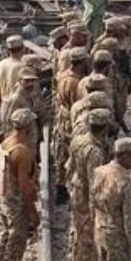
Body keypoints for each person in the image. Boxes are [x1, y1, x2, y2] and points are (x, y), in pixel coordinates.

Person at [68, 108, 112, 261]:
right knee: (87, 245)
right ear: (103, 127)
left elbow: (70, 167)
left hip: (76, 191)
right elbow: (94, 185)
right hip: (86, 198)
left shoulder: (79, 139)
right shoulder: (95, 151)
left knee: (78, 235)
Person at [0, 108, 38, 261]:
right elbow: (26, 187)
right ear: (29, 126)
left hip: (4, 197)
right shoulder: (23, 151)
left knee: (7, 236)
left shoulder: (6, 143)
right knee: (17, 239)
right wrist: (33, 213)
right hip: (16, 202)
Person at [54, 48, 90, 205]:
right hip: (72, 121)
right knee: (72, 155)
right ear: (82, 62)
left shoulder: (62, 76)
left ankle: (61, 186)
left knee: (61, 153)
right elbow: (78, 106)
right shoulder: (77, 82)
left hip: (62, 118)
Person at [0, 35, 26, 106]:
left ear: (8, 50)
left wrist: (1, 105)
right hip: (20, 109)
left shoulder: (1, 64)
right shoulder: (23, 66)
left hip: (5, 105)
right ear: (23, 48)